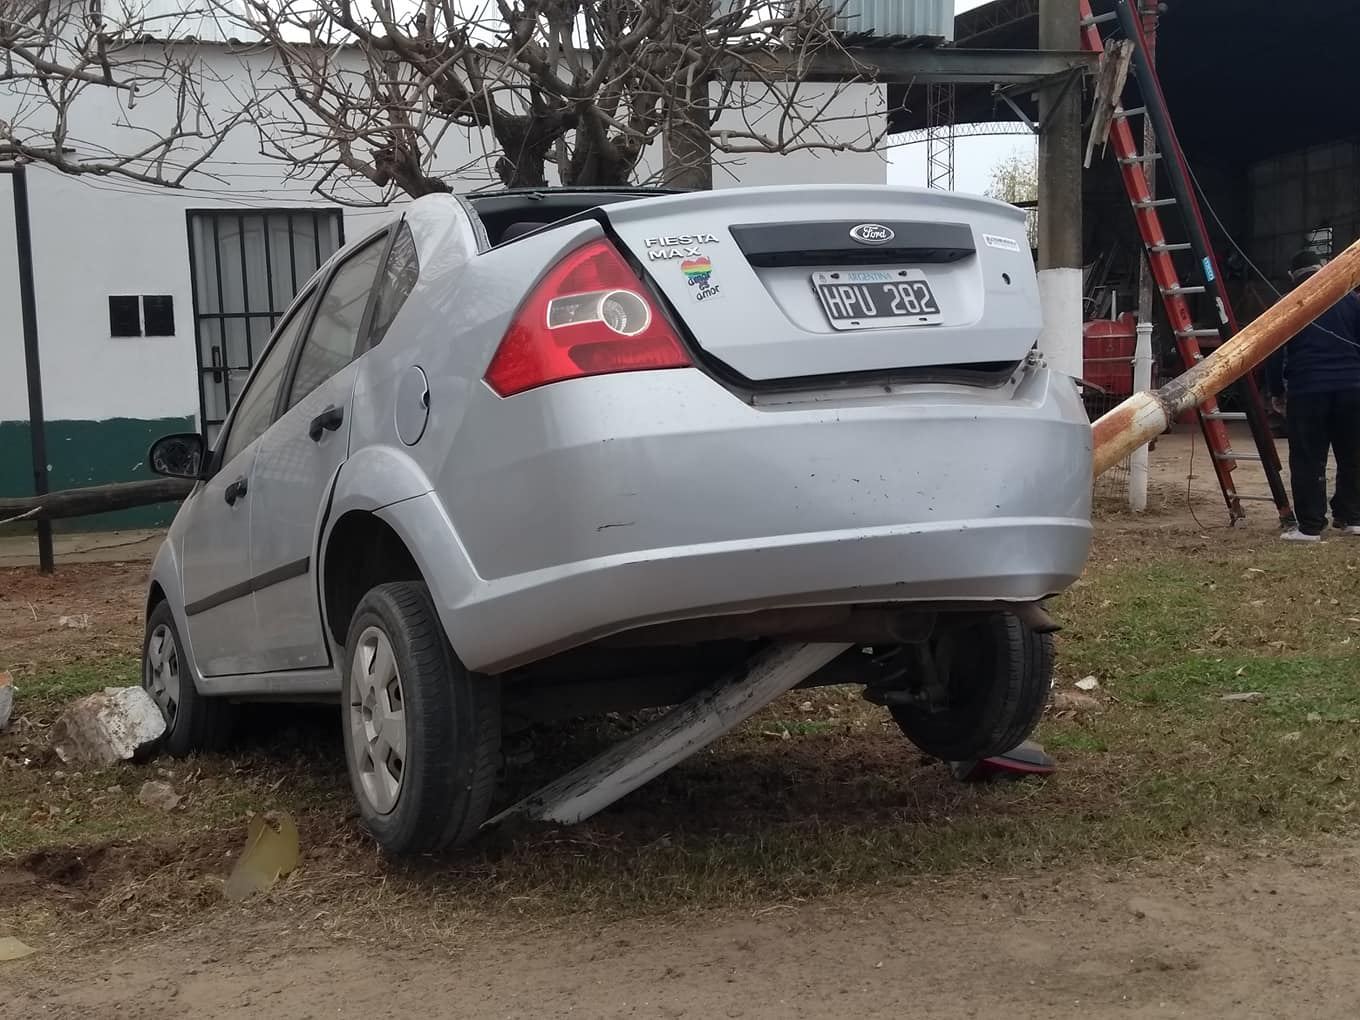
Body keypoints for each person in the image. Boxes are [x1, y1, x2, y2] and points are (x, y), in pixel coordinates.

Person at [1266, 250, 1360, 542]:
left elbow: (1271, 353)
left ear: (1293, 277)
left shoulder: (1291, 303)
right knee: (1353, 455)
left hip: (1308, 390)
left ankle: (1310, 527)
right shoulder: (1350, 301)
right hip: (1353, 390)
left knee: (1308, 458)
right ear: (1323, 268)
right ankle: (1352, 518)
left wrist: (1277, 393)